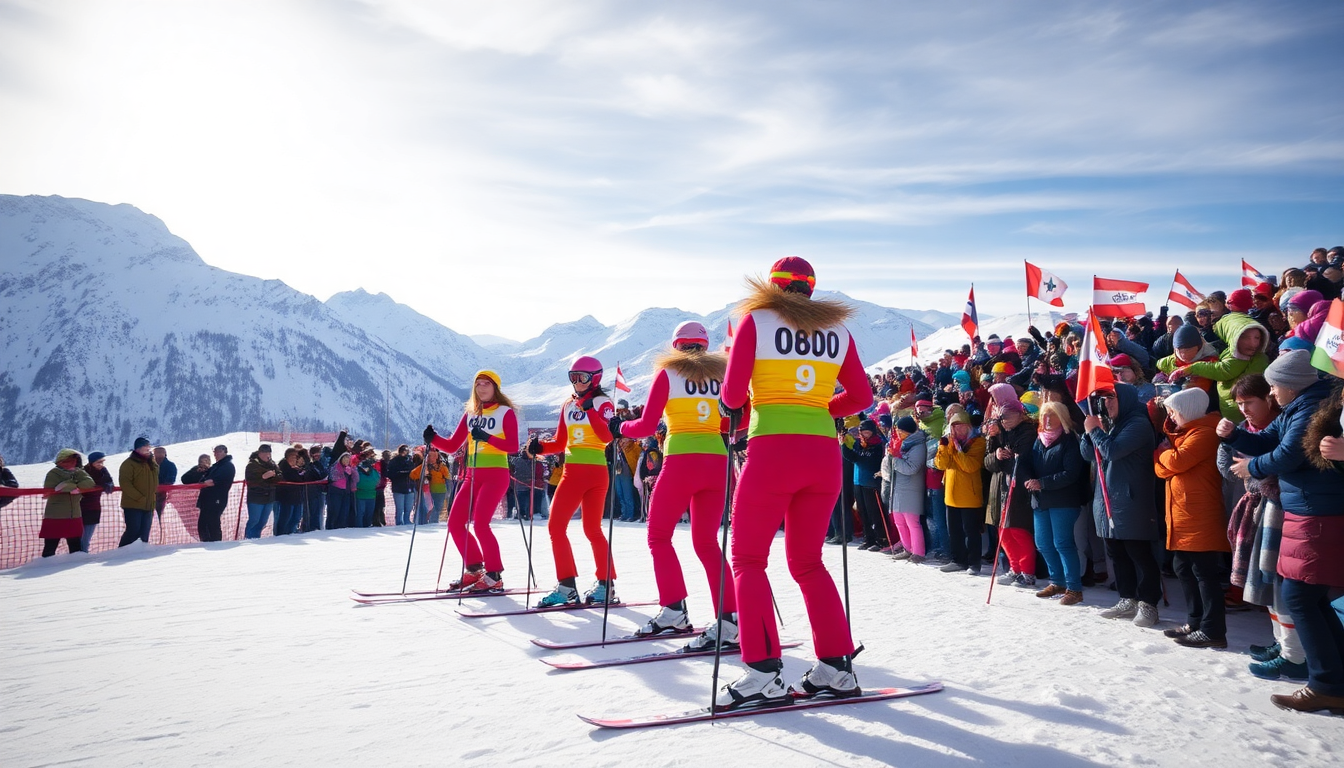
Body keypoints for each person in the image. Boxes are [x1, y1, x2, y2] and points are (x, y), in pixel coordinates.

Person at [715, 256, 872, 709]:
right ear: (810, 288)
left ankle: (763, 672)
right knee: (807, 562)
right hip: (823, 456)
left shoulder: (756, 320)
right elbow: (861, 396)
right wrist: (820, 408)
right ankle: (837, 667)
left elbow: (732, 396)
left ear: (774, 286)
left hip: (773, 451)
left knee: (747, 559)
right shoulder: (838, 330)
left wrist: (736, 406)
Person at [1221, 351, 1344, 714]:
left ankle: (1326, 685)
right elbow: (1267, 441)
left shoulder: (1310, 409)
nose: (1272, 393)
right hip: (1306, 509)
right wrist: (1235, 435)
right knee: (1309, 597)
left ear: (1291, 385)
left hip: (1317, 511)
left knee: (1300, 596)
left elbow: (1288, 455)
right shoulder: (1297, 407)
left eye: (1274, 386)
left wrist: (1252, 467)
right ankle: (1334, 680)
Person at [607, 321, 737, 643]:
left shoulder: (668, 373)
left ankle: (674, 611)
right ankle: (730, 620)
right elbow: (739, 418)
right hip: (717, 463)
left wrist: (618, 427)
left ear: (676, 346)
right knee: (707, 543)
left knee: (658, 536)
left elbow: (646, 425)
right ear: (704, 346)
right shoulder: (722, 374)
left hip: (682, 463)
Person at [526, 355, 620, 607]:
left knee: (582, 529)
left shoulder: (602, 403)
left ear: (595, 379)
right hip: (574, 470)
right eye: (573, 377)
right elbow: (560, 442)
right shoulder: (568, 404)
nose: (577, 382)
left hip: (592, 472)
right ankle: (577, 586)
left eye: (582, 377)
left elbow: (606, 436)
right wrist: (539, 447)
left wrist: (589, 410)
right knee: (566, 528)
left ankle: (600, 585)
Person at [424, 370, 521, 593]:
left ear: (495, 387)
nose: (482, 388)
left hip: (496, 474)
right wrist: (433, 439)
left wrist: (487, 437)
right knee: (454, 523)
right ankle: (475, 568)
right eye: (478, 384)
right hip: (472, 475)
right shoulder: (470, 414)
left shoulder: (505, 412)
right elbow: (452, 446)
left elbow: (513, 446)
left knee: (481, 524)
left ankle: (494, 575)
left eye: (487, 384)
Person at [1081, 384, 1163, 628]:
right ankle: (1127, 598)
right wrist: (1088, 433)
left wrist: (1096, 431)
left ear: (1124, 399)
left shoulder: (1137, 423)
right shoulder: (1112, 424)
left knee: (1139, 553)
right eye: (1104, 399)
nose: (1107, 403)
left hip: (1131, 500)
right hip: (1108, 499)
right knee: (1116, 553)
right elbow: (1088, 455)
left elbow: (1112, 451)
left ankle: (1148, 603)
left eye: (1112, 398)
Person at [1154, 387, 1229, 649]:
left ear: (1188, 411)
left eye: (1174, 412)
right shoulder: (1185, 433)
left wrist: (1162, 453)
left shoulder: (1205, 433)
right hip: (1183, 515)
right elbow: (1163, 471)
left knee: (1204, 573)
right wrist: (1166, 456)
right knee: (1183, 568)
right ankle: (1195, 621)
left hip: (1200, 514)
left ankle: (1213, 630)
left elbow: (1176, 462)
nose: (1171, 417)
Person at [1026, 401, 1086, 604]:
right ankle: (1057, 581)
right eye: (1044, 415)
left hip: (1063, 500)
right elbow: (1030, 464)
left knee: (1063, 543)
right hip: (1041, 500)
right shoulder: (1039, 440)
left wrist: (1042, 483)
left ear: (1062, 417)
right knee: (1043, 543)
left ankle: (1074, 588)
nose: (1047, 419)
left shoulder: (1069, 439)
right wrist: (1026, 476)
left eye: (1052, 415)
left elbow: (1071, 473)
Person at [1169, 313, 1271, 422]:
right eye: (1244, 337)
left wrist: (1192, 368)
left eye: (1257, 338)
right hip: (1229, 415)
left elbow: (1223, 371)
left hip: (1244, 415)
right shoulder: (1228, 352)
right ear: (1232, 337)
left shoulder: (1258, 360)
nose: (1253, 343)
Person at [985, 384, 1038, 588]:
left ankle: (1027, 572)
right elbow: (989, 463)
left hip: (1019, 487)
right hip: (1000, 487)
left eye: (1006, 416)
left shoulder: (1027, 431)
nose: (1003, 419)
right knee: (1003, 531)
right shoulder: (1000, 431)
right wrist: (995, 449)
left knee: (1018, 531)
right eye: (1001, 416)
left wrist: (1003, 457)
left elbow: (1019, 462)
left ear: (1019, 414)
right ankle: (1014, 568)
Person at [935, 410, 987, 575]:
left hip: (970, 495)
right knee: (954, 531)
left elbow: (970, 466)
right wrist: (943, 447)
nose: (957, 430)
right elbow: (941, 465)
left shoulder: (978, 442)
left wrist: (957, 450)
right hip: (951, 495)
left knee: (971, 531)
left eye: (961, 426)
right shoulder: (949, 443)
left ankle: (974, 563)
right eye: (954, 427)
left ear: (968, 426)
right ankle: (958, 560)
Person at [842, 420, 891, 552]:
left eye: (868, 432)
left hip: (871, 482)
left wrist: (855, 456)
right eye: (863, 432)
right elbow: (851, 457)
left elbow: (866, 460)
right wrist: (843, 445)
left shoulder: (878, 444)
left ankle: (881, 539)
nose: (865, 435)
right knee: (862, 512)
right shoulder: (859, 443)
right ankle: (868, 539)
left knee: (874, 512)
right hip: (858, 481)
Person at [884, 416, 927, 562]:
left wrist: (895, 459)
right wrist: (890, 457)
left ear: (909, 431)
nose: (899, 434)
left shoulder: (918, 446)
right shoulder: (901, 444)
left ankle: (918, 552)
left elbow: (911, 468)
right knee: (899, 522)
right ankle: (907, 549)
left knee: (912, 522)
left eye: (901, 431)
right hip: (898, 488)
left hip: (911, 489)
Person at [41, 449, 94, 556]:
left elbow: (90, 483)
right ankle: (45, 565)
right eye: (68, 461)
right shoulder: (53, 473)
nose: (72, 463)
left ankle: (75, 565)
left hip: (74, 515)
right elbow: (55, 488)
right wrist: (76, 485)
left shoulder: (78, 472)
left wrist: (73, 486)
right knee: (50, 547)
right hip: (55, 516)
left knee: (75, 548)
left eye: (74, 460)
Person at [118, 436, 159, 547]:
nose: (148, 449)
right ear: (138, 448)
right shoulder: (128, 464)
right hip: (133, 504)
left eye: (149, 446)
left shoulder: (151, 463)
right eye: (146, 446)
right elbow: (125, 484)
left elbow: (155, 480)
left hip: (149, 504)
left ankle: (141, 553)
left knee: (144, 534)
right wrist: (139, 497)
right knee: (133, 531)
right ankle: (121, 552)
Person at [195, 445, 235, 542]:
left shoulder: (227, 466)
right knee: (203, 523)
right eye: (214, 452)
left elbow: (212, 482)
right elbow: (201, 480)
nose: (215, 454)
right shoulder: (216, 466)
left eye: (218, 452)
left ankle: (215, 543)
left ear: (224, 452)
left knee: (212, 522)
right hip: (207, 498)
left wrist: (205, 483)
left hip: (217, 498)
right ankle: (206, 543)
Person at [79, 451, 114, 552]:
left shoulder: (103, 471)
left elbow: (109, 482)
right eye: (98, 462)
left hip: (94, 507)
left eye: (102, 462)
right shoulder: (83, 472)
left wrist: (108, 485)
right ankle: (79, 555)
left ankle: (83, 553)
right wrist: (100, 485)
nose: (101, 464)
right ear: (92, 462)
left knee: (87, 536)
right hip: (80, 507)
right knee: (79, 536)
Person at [243, 444, 280, 538]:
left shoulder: (272, 464)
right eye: (264, 453)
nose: (267, 455)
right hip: (256, 497)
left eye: (268, 453)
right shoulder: (252, 465)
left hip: (269, 496)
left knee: (263, 521)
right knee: (254, 520)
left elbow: (280, 476)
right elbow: (251, 480)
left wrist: (274, 476)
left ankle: (256, 538)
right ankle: (248, 538)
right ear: (259, 453)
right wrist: (263, 477)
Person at [409, 448, 450, 525]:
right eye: (430, 456)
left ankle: (432, 521)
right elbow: (412, 475)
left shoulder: (440, 466)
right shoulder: (425, 466)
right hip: (430, 489)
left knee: (435, 507)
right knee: (433, 507)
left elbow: (448, 477)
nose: (432, 458)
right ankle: (431, 521)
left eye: (433, 456)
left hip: (437, 489)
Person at [276, 447, 308, 535]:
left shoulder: (296, 468)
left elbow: (304, 478)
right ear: (289, 457)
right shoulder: (283, 466)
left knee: (296, 518)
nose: (296, 459)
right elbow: (294, 478)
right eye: (294, 456)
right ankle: (281, 535)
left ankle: (291, 534)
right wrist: (297, 472)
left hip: (297, 497)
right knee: (285, 519)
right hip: (287, 498)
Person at [386, 445, 415, 526]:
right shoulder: (394, 461)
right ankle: (399, 523)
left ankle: (407, 521)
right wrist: (400, 473)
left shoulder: (410, 460)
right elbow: (389, 474)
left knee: (408, 508)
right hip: (398, 488)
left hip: (409, 486)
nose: (405, 452)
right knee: (400, 508)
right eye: (403, 450)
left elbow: (414, 471)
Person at [327, 452, 357, 530]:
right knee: (335, 511)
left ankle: (341, 527)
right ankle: (331, 527)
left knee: (344, 511)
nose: (346, 461)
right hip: (336, 491)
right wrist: (343, 472)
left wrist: (353, 470)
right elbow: (333, 477)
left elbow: (356, 479)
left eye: (348, 460)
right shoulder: (335, 466)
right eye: (345, 459)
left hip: (346, 491)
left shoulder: (350, 468)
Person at [353, 449, 380, 528]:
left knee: (365, 513)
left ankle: (365, 527)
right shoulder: (358, 470)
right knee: (362, 513)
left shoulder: (373, 471)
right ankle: (360, 527)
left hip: (369, 495)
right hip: (363, 495)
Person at [153, 446, 177, 524]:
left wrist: (160, 487)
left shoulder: (170, 465)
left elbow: (170, 480)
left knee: (159, 514)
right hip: (149, 494)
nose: (158, 455)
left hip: (163, 494)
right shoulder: (149, 465)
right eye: (157, 453)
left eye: (160, 453)